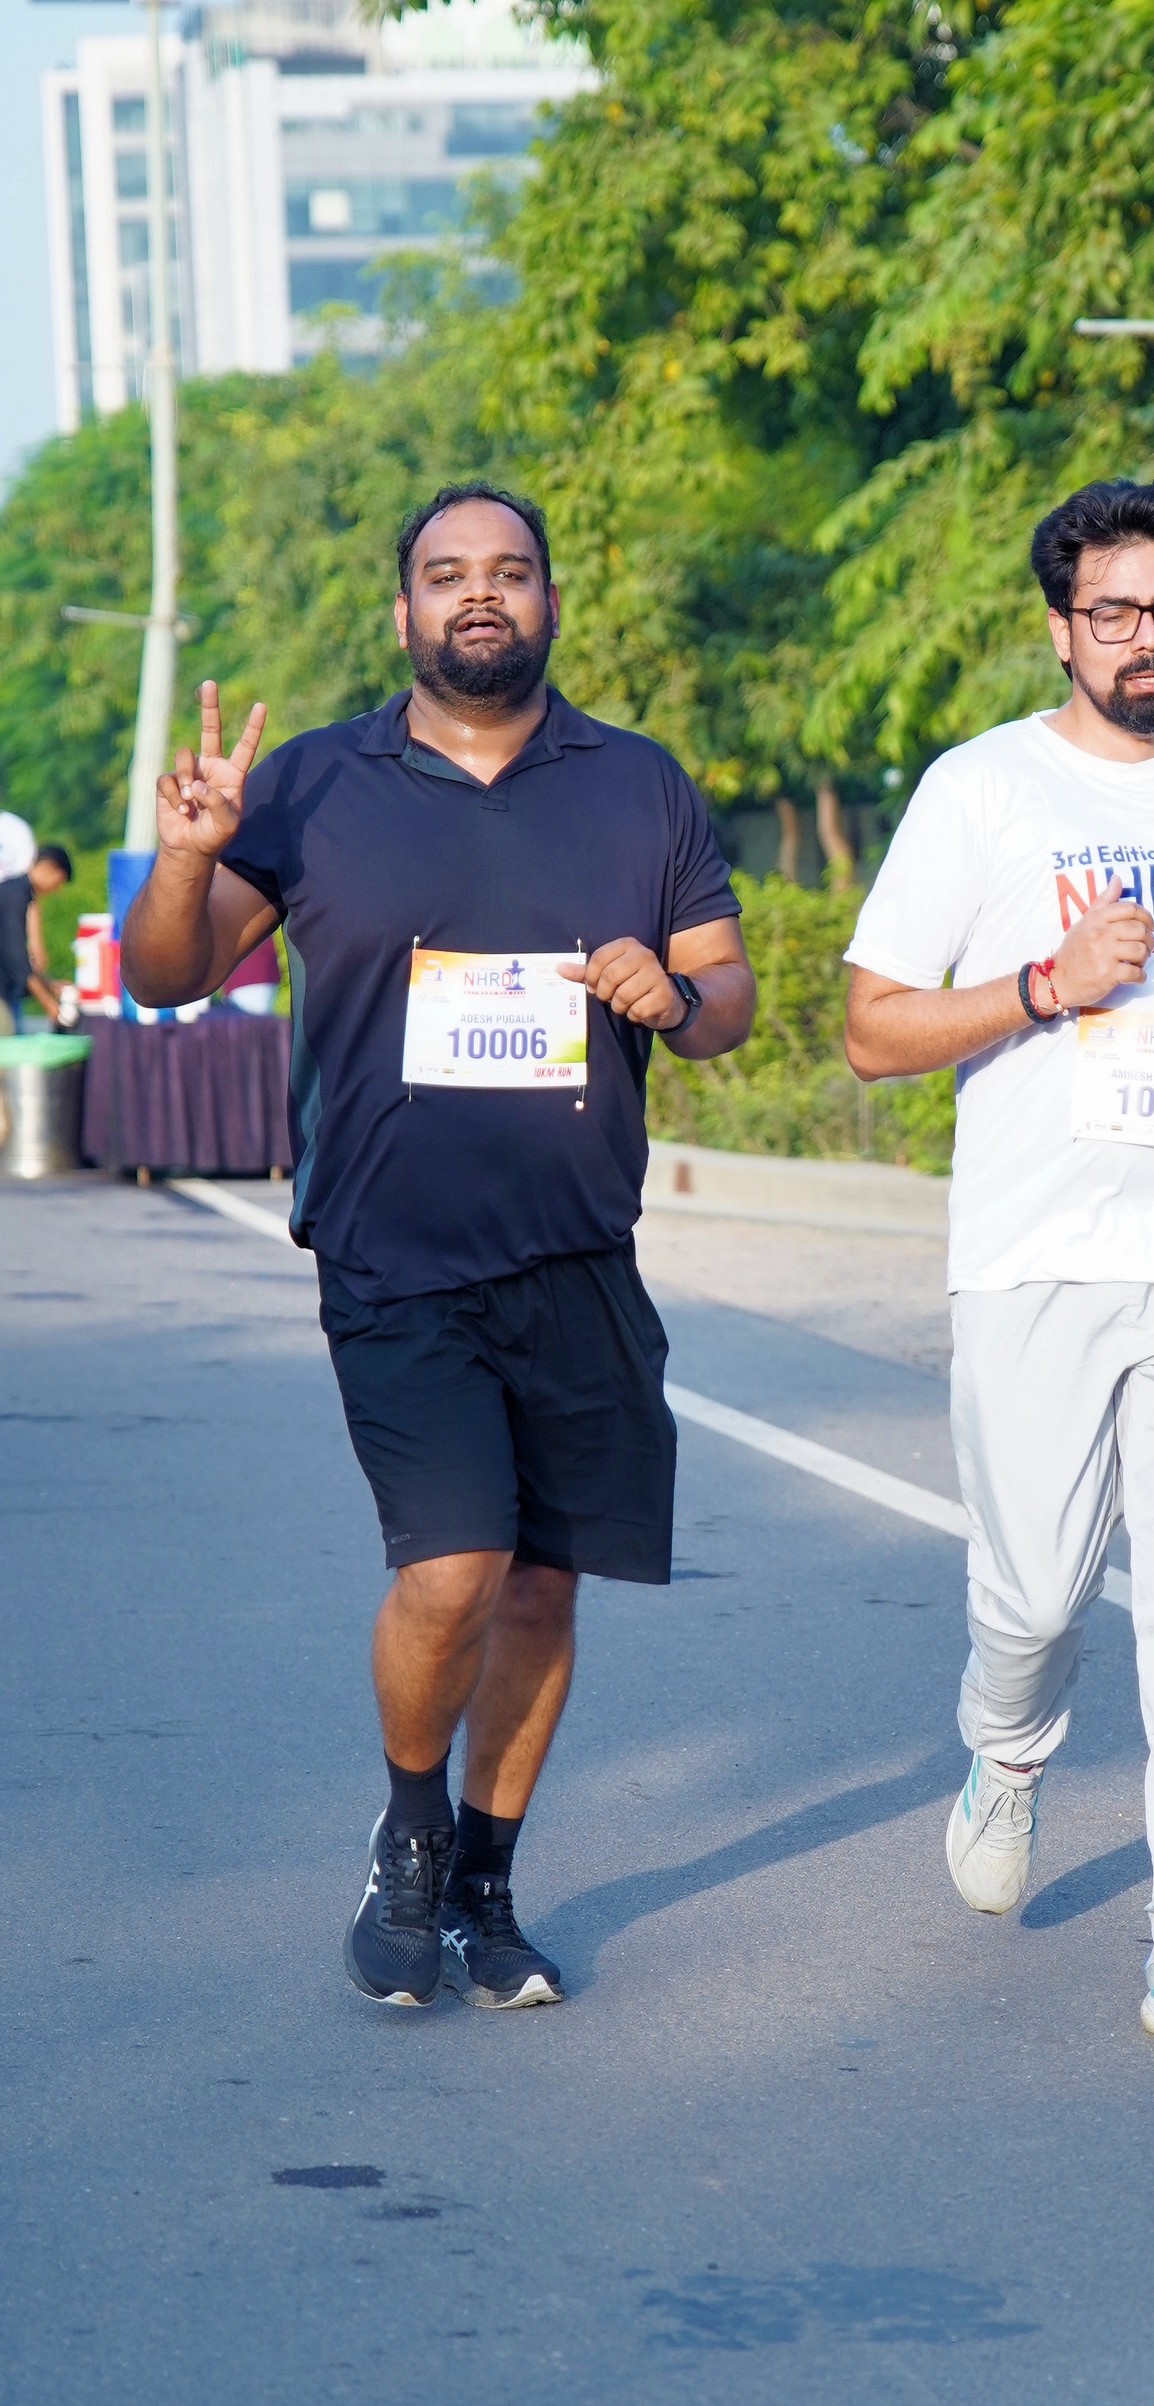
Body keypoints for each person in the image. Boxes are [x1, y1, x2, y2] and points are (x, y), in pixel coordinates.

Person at [122, 483, 756, 2012]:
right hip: (392, 1253)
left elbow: (728, 996)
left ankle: (486, 1883)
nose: (481, 592)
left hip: (581, 1253)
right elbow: (164, 977)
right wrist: (191, 857)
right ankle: (408, 1837)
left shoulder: (639, 784)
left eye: (511, 570)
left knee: (542, 1589)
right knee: (455, 1565)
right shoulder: (313, 782)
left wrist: (676, 999)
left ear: (549, 600)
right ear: (403, 608)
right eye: (447, 572)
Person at [844, 479, 1154, 2062]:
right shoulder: (983, 790)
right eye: (1115, 611)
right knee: (1039, 1594)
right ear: (1061, 628)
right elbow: (872, 1029)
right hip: (1035, 1257)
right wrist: (1046, 986)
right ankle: (1006, 1747)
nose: (1149, 638)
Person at [0, 844, 73, 1033]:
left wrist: (49, 985)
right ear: (51, 868)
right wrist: (48, 1003)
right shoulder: (15, 896)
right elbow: (16, 958)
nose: (56, 889)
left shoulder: (15, 891)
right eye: (59, 881)